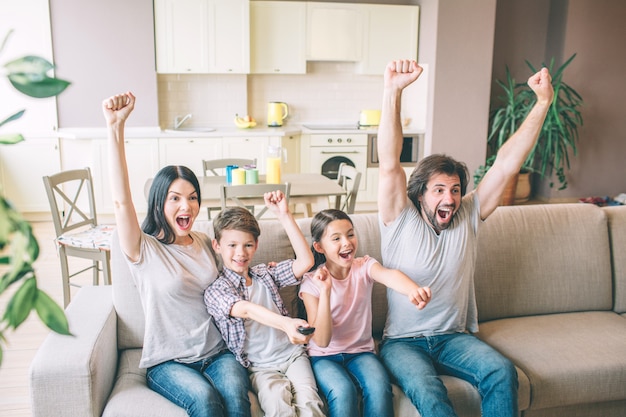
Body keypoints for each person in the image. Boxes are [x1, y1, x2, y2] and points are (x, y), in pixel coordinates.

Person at [376, 59, 554, 417]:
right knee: (430, 393)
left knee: (501, 371)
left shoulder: (468, 214)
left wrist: (542, 103)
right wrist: (393, 91)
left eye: (455, 190)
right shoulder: (399, 217)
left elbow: (506, 163)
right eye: (439, 189)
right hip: (402, 344)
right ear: (420, 194)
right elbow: (389, 161)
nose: (450, 199)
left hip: (453, 337)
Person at [102, 92, 251, 417]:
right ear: (159, 203)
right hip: (168, 362)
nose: (187, 206)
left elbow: (240, 274)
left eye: (193, 197)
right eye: (175, 198)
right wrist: (115, 128)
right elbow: (121, 202)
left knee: (237, 399)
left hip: (218, 353)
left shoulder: (204, 241)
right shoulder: (142, 248)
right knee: (205, 403)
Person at [298, 209, 432, 417]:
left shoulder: (364, 266)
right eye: (336, 238)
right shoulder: (311, 282)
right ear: (319, 247)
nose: (347, 243)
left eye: (350, 234)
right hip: (323, 357)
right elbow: (322, 341)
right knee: (343, 392)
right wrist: (325, 292)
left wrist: (413, 289)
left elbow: (389, 275)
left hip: (360, 352)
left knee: (380, 388)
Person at [204, 194, 325, 417]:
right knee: (279, 408)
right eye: (232, 245)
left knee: (311, 404)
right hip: (260, 367)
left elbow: (306, 262)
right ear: (217, 246)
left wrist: (284, 215)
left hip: (293, 356)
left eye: (248, 245)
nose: (241, 253)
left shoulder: (265, 274)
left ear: (256, 245)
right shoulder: (217, 290)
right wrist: (286, 324)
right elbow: (247, 309)